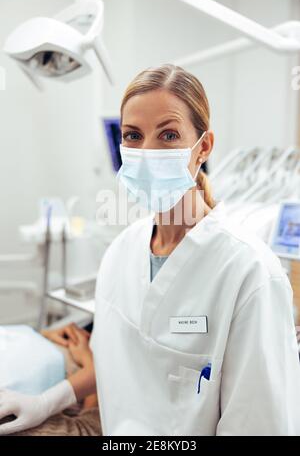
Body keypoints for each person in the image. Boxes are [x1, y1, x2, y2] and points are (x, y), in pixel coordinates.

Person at [1, 63, 300, 436]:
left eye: (169, 135)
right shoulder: (120, 254)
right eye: (133, 135)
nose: (147, 151)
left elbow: (261, 424)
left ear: (203, 147)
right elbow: (121, 365)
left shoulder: (251, 274)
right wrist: (47, 401)